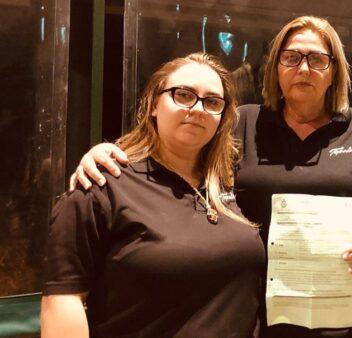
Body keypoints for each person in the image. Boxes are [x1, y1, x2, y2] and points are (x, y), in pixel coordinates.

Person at [69, 16, 352, 338]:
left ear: (334, 71)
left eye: (317, 59)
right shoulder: (241, 124)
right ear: (275, 68)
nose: (303, 68)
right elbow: (174, 153)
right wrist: (112, 154)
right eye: (291, 57)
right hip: (254, 322)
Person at [41, 52, 265, 338]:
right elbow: (63, 298)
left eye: (212, 102)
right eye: (183, 95)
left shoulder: (232, 184)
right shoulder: (102, 186)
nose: (197, 109)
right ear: (153, 104)